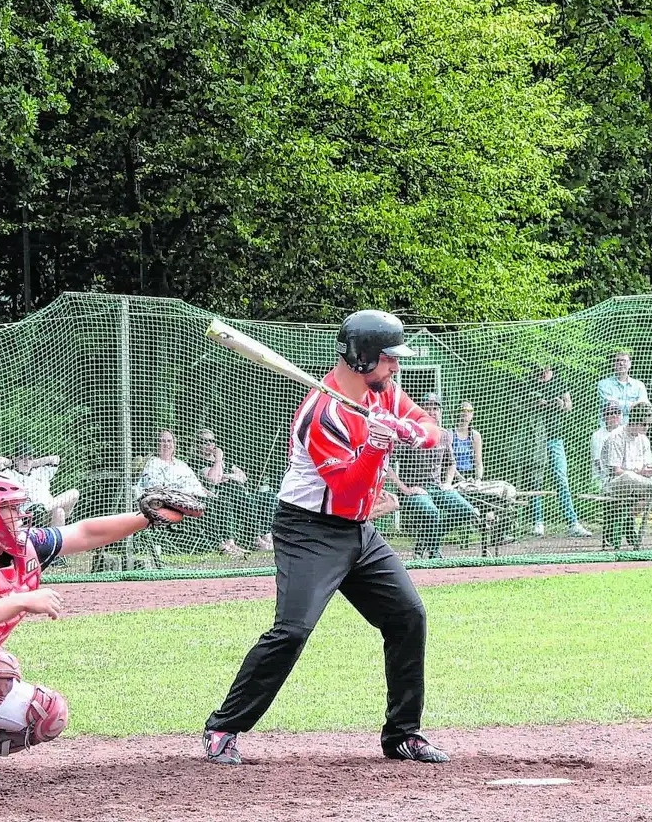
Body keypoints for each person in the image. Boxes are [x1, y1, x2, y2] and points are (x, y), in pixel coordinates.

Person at [203, 310, 453, 767]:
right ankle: (224, 726)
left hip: (359, 532)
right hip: (310, 531)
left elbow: (436, 434)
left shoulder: (384, 393)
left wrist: (405, 430)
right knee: (293, 630)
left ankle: (403, 733)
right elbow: (348, 490)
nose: (395, 367)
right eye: (388, 359)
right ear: (362, 358)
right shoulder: (322, 414)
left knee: (408, 616)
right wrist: (376, 446)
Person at [0, 471, 203, 796]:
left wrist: (144, 518)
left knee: (46, 713)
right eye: (9, 508)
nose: (21, 514)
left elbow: (85, 533)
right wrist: (20, 601)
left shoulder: (22, 548)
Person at [384, 393, 478, 559]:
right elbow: (385, 463)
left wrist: (448, 482)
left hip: (437, 487)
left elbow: (451, 463)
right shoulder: (410, 434)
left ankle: (423, 541)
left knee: (468, 511)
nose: (433, 411)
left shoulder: (444, 435)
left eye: (436, 408)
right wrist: (404, 489)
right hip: (415, 490)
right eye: (428, 408)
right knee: (432, 512)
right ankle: (433, 553)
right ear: (421, 411)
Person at [527, 364, 589, 538]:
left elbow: (569, 406)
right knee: (535, 479)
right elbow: (524, 404)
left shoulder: (559, 381)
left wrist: (561, 404)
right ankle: (537, 522)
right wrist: (539, 404)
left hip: (555, 437)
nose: (542, 367)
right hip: (535, 438)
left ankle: (572, 522)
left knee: (561, 478)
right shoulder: (529, 381)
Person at [135, 429, 211, 553]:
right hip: (171, 502)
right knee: (209, 506)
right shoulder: (153, 463)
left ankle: (229, 542)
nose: (166, 444)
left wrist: (206, 491)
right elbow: (155, 487)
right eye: (162, 441)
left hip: (195, 498)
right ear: (157, 444)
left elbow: (195, 483)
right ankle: (221, 545)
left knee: (220, 501)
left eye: (169, 441)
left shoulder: (181, 465)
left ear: (174, 444)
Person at [601, 403, 652, 548]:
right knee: (629, 477)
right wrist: (640, 473)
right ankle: (624, 522)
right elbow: (616, 471)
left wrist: (648, 472)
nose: (646, 428)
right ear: (634, 420)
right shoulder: (617, 436)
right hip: (614, 483)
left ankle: (628, 517)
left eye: (649, 424)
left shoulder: (644, 439)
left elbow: (648, 465)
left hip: (640, 483)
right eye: (643, 424)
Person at [196, 427, 258, 558]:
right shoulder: (196, 461)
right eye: (204, 441)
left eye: (211, 441)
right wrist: (218, 460)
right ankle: (230, 543)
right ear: (197, 444)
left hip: (235, 493)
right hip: (214, 496)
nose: (209, 444)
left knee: (259, 497)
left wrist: (227, 476)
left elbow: (243, 477)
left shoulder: (225, 462)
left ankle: (259, 537)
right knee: (230, 498)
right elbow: (213, 479)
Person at [0, 444, 79, 527]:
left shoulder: (40, 472)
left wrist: (33, 463)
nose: (26, 461)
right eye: (22, 457)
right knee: (59, 512)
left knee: (71, 498)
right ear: (15, 458)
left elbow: (55, 459)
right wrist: (12, 462)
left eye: (29, 458)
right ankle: (42, 510)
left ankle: (44, 508)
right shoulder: (11, 475)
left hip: (46, 511)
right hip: (29, 514)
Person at [596, 350, 651, 418]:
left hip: (633, 426)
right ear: (613, 364)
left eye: (624, 361)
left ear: (630, 364)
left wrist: (619, 403)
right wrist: (635, 405)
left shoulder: (639, 385)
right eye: (618, 360)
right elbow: (611, 407)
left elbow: (645, 406)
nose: (621, 363)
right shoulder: (604, 384)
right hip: (611, 427)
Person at [589, 402, 625, 490]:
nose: (614, 415)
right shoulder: (598, 435)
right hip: (603, 480)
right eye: (610, 413)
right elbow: (599, 463)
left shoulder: (625, 433)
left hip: (623, 475)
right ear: (604, 417)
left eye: (617, 412)